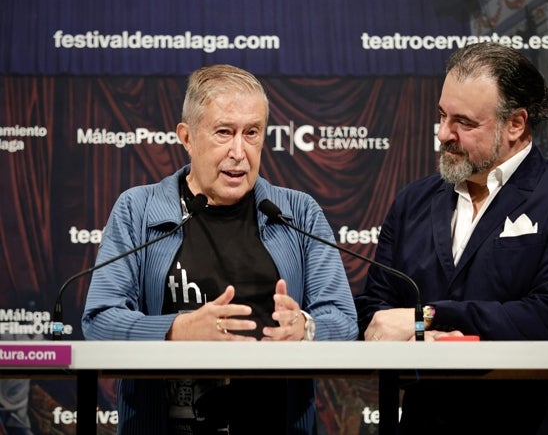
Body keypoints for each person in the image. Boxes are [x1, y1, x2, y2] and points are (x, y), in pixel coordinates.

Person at [82, 64, 358, 435]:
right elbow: (99, 321)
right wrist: (176, 329)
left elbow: (343, 320)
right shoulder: (138, 211)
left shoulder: (298, 213)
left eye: (252, 133)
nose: (239, 152)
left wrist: (305, 329)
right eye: (224, 132)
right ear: (187, 137)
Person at [354, 42, 548, 434]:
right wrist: (420, 332)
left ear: (516, 124)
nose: (443, 134)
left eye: (464, 123)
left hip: (536, 423)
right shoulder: (412, 201)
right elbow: (378, 311)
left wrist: (425, 318)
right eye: (441, 115)